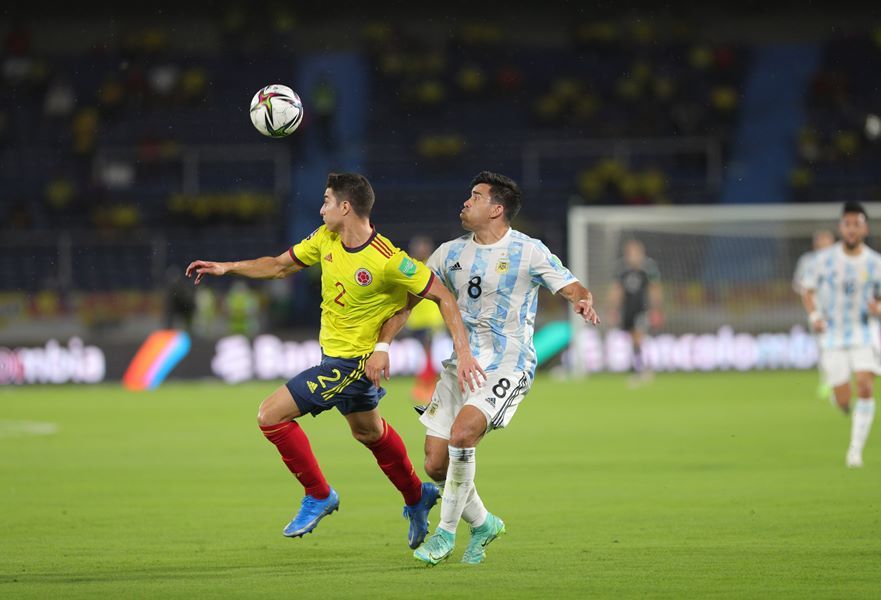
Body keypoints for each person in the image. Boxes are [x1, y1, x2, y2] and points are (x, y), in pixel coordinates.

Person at [186, 172, 485, 548]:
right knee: (368, 432)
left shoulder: (389, 260)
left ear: (346, 207)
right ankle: (416, 496)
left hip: (353, 365)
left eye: (327, 200)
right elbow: (279, 266)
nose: (321, 206)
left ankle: (318, 494)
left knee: (271, 416)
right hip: (333, 355)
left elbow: (441, 295)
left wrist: (431, 350)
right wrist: (227, 267)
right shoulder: (325, 237)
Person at [366, 171, 598, 565]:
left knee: (463, 434)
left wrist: (582, 299)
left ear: (497, 209)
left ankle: (444, 534)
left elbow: (571, 285)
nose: (466, 202)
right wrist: (383, 344)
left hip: (508, 362)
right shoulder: (448, 254)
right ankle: (484, 522)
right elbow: (407, 303)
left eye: (475, 196)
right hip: (462, 364)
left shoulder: (529, 251)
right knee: (435, 464)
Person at [801, 201, 881, 468]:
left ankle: (855, 451)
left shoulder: (876, 262)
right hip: (832, 334)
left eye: (857, 224)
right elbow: (806, 290)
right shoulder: (823, 260)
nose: (852, 229)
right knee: (844, 400)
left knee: (865, 385)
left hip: (863, 332)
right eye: (847, 224)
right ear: (841, 227)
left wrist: (880, 306)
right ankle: (839, 396)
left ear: (865, 229)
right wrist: (815, 316)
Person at [607, 239, 662, 383]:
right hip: (628, 309)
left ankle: (643, 369)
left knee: (639, 336)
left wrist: (656, 309)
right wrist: (613, 309)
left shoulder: (648, 269)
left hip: (642, 308)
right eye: (630, 253)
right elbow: (617, 290)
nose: (633, 256)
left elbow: (654, 289)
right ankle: (639, 367)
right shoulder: (622, 270)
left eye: (635, 252)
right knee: (633, 339)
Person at [792, 229, 836, 401]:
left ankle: (839, 381)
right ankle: (826, 382)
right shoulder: (807, 261)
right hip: (816, 311)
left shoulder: (842, 260)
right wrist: (809, 293)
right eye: (820, 240)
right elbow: (798, 284)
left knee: (840, 348)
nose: (823, 243)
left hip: (840, 312)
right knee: (824, 348)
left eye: (826, 240)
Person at [404, 235, 445, 404]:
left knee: (429, 353)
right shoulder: (409, 267)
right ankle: (426, 386)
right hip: (415, 321)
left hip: (431, 320)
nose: (421, 251)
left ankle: (429, 387)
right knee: (423, 355)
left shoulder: (433, 267)